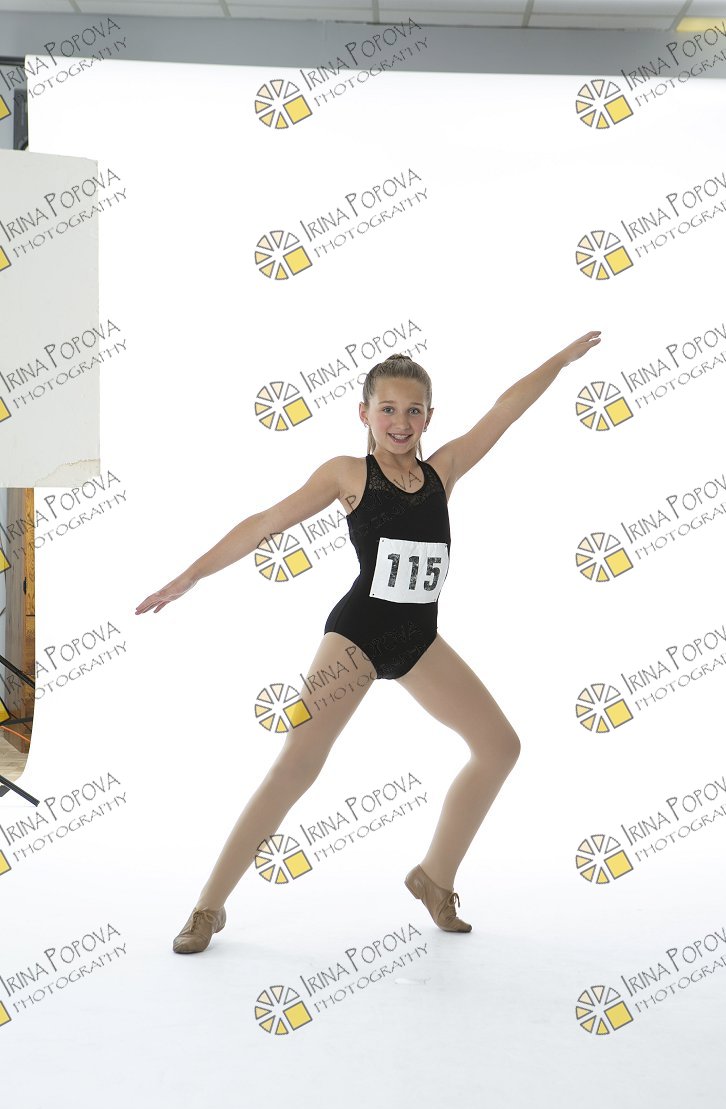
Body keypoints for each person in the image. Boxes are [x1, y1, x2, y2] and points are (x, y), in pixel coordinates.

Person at [135, 330, 601, 953]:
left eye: (413, 410)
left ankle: (434, 878)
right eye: (388, 409)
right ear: (364, 413)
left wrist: (562, 359)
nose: (400, 422)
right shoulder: (348, 474)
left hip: (419, 640)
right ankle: (207, 908)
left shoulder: (443, 472)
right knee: (297, 766)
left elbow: (506, 409)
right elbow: (266, 522)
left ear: (429, 417)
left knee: (499, 747)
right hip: (356, 637)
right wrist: (189, 576)